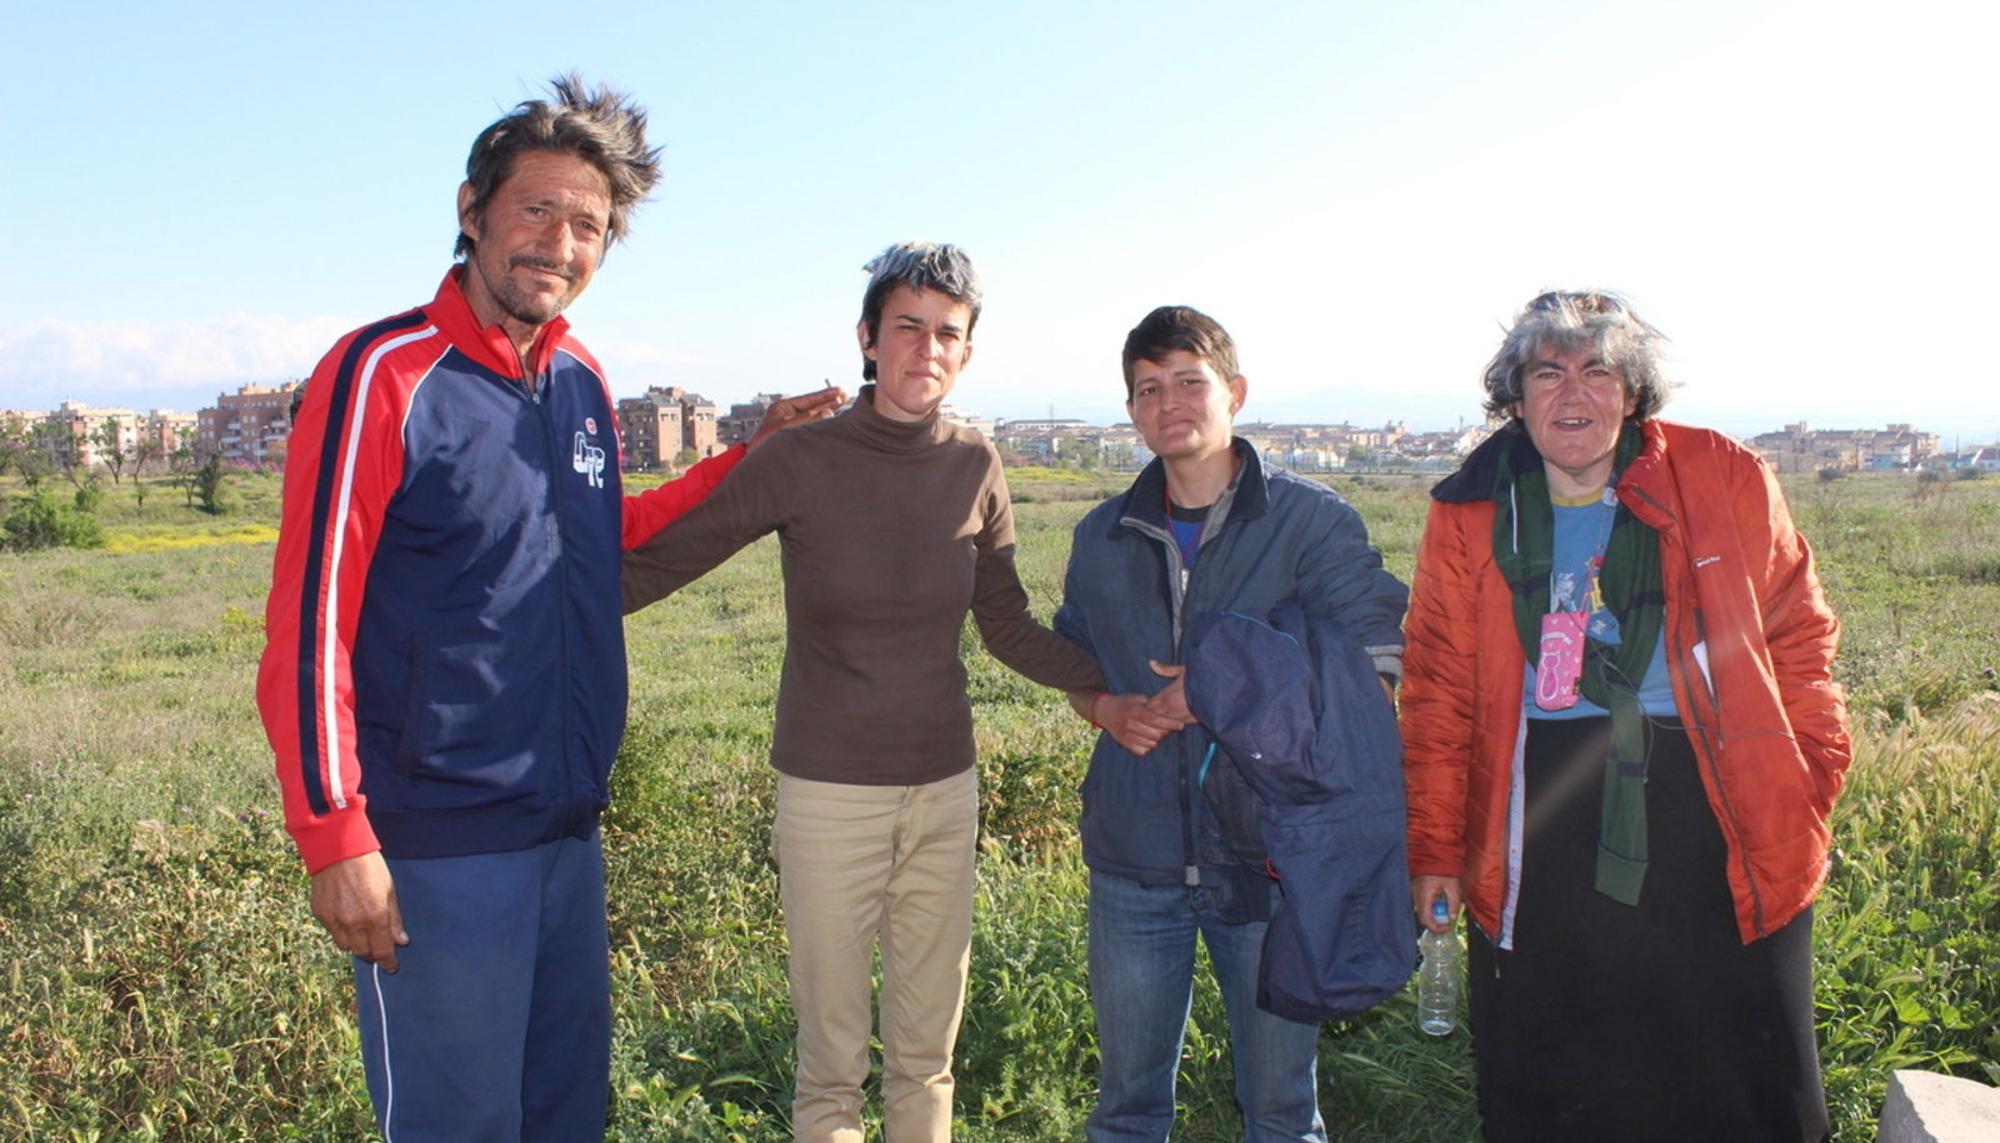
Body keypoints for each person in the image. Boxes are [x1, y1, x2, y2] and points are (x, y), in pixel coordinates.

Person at [256, 74, 840, 1141]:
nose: (559, 245)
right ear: (472, 210)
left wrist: (746, 457)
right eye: (535, 210)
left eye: (588, 226)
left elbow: (598, 537)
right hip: (435, 842)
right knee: (456, 1124)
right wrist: (335, 836)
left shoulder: (576, 378)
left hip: (567, 831)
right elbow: (309, 619)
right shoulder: (383, 373)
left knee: (564, 1113)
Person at [620, 241, 1106, 1143]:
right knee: (831, 1065)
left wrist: (1114, 683)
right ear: (869, 340)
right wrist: (518, 604)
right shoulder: (799, 458)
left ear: (967, 352)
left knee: (928, 1058)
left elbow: (1006, 626)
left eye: (947, 334)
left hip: (944, 793)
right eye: (908, 328)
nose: (928, 348)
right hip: (828, 797)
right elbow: (658, 564)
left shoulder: (976, 464)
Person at [1400, 291, 1851, 1141]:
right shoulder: (1469, 510)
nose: (1573, 391)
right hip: (1542, 808)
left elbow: (1799, 635)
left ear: (1633, 393)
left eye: (1598, 369)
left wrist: (1807, 777)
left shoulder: (1721, 474)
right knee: (1562, 1069)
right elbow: (1437, 689)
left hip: (1717, 798)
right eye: (1547, 371)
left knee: (1737, 1071)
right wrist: (1434, 847)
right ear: (1516, 396)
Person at [1053, 305, 1409, 1143]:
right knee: (1127, 1109)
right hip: (1133, 858)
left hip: (1269, 859)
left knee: (1283, 1110)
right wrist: (1104, 708)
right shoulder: (1100, 535)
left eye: (1189, 380)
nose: (1168, 401)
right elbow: (1073, 659)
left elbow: (1376, 660)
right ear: (1133, 411)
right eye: (1148, 388)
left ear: (1235, 392)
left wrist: (1220, 685)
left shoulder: (1309, 520)